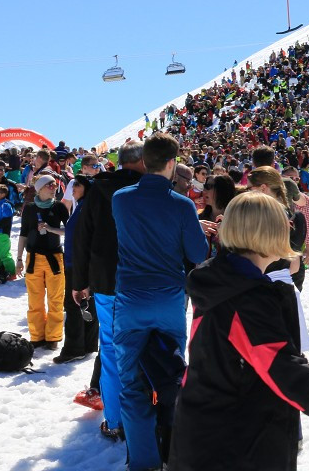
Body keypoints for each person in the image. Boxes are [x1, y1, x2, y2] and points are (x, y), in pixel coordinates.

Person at [169, 193, 309, 471]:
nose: (291, 228)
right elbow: (289, 375)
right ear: (266, 232)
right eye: (284, 222)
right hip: (229, 446)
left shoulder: (224, 278)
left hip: (211, 435)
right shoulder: (246, 299)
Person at [111, 133, 209, 471]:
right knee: (170, 376)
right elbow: (198, 254)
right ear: (171, 163)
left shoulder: (120, 199)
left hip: (130, 300)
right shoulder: (182, 204)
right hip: (168, 300)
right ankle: (173, 453)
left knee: (131, 382)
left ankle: (143, 462)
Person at [72, 140, 145, 441]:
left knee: (113, 351)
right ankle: (144, 420)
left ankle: (115, 421)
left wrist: (79, 282)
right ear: (143, 162)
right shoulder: (151, 189)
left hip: (106, 281)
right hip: (144, 281)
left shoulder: (97, 190)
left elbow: (82, 235)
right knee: (145, 351)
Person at [17, 175, 69, 351]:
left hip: (54, 257)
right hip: (33, 258)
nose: (54, 187)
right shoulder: (30, 208)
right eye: (49, 184)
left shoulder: (59, 206)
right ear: (39, 188)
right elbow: (23, 234)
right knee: (35, 300)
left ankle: (53, 337)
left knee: (55, 299)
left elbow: (69, 229)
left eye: (55, 184)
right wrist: (18, 259)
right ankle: (37, 336)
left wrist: (51, 229)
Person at [56, 175, 99, 364]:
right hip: (79, 262)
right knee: (87, 303)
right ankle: (88, 344)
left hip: (79, 263)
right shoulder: (82, 205)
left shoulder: (86, 207)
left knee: (73, 304)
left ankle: (74, 348)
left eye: (78, 185)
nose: (73, 187)